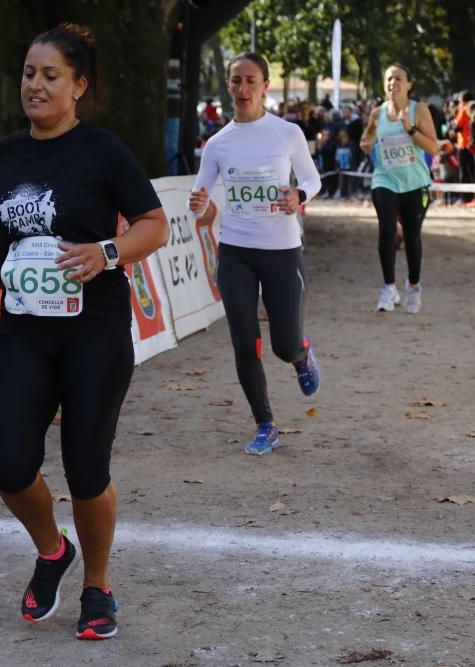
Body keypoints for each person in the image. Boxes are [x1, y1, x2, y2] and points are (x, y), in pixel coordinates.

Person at [0, 23, 168, 641]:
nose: (35, 85)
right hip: (24, 330)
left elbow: (153, 225)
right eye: (29, 73)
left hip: (94, 334)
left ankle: (97, 585)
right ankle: (53, 550)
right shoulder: (6, 154)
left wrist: (107, 251)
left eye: (50, 76)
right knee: (8, 462)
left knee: (85, 468)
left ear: (79, 86)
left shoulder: (102, 151)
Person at [188, 52, 322, 457]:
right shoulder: (218, 143)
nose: (242, 89)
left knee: (281, 344)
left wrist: (298, 196)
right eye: (235, 81)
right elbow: (202, 196)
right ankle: (265, 425)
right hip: (236, 253)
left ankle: (301, 354)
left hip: (281, 251)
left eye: (250, 81)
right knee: (245, 343)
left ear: (265, 86)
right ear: (228, 86)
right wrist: (198, 204)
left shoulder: (287, 134)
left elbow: (313, 179)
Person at [359, 64, 439, 313]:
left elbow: (433, 148)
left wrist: (409, 128)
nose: (393, 83)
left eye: (398, 79)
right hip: (385, 180)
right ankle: (388, 287)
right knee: (386, 231)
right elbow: (366, 138)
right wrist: (367, 145)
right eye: (389, 79)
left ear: (409, 84)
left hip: (415, 182)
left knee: (412, 236)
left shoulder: (419, 110)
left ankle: (413, 287)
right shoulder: (377, 113)